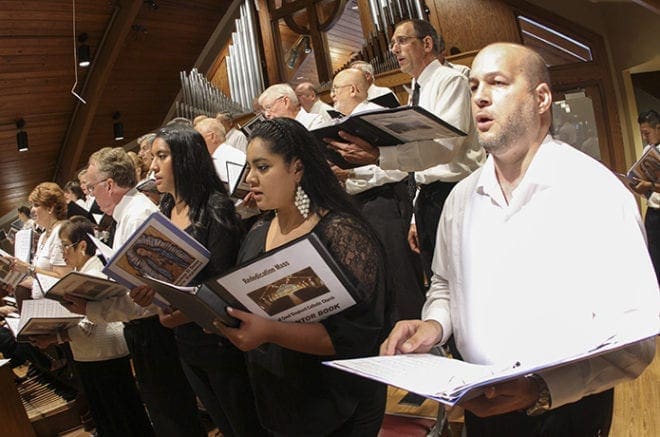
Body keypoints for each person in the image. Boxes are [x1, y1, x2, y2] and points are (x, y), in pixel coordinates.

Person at [381, 42, 659, 436]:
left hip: (565, 408)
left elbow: (637, 338)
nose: (479, 96)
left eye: (497, 82)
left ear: (541, 97)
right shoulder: (459, 198)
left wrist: (539, 390)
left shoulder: (595, 192)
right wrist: (434, 324)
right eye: (474, 85)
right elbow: (444, 284)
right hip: (481, 399)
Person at [216, 117, 390, 436]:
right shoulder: (257, 232)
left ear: (297, 169)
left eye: (263, 167)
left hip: (337, 402)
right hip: (279, 401)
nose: (250, 179)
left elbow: (355, 338)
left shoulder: (341, 234)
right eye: (249, 168)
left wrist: (270, 331)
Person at [130, 125, 264, 436]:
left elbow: (224, 280)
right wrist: (151, 290)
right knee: (223, 422)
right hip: (187, 340)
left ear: (187, 159)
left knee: (245, 425)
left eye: (161, 156)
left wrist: (183, 312)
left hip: (220, 340)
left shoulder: (215, 206)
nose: (152, 166)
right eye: (152, 157)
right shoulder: (165, 207)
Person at [65, 146, 206, 437]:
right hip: (147, 330)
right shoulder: (127, 213)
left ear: (109, 185)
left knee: (173, 416)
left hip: (155, 330)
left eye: (91, 188)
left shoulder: (138, 214)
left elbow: (149, 298)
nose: (90, 195)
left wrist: (92, 309)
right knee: (166, 414)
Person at [331, 19, 485, 282]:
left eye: (402, 41)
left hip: (457, 192)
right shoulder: (417, 87)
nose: (393, 49)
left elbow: (445, 149)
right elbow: (421, 162)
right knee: (439, 279)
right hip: (428, 196)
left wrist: (379, 156)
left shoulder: (451, 80)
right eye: (392, 43)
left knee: (467, 278)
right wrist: (416, 213)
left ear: (426, 44)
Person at [31, 216, 155, 436]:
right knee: (108, 416)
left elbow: (88, 325)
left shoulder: (93, 274)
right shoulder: (81, 273)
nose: (63, 252)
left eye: (65, 246)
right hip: (91, 355)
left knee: (123, 416)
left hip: (105, 354)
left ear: (82, 245)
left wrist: (54, 338)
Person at [330, 68, 425, 319]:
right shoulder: (341, 122)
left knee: (398, 272)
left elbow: (398, 170)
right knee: (376, 275)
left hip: (385, 202)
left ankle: (414, 332)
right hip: (359, 204)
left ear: (354, 89)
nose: (332, 97)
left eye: (336, 90)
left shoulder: (375, 116)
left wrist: (349, 174)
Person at [630, 109, 660, 283]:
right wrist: (640, 188)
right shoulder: (648, 150)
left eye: (647, 133)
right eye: (642, 133)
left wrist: (651, 185)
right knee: (654, 259)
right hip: (653, 212)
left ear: (658, 128)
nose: (644, 137)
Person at [195, 117, 246, 184]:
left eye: (198, 138)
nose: (195, 143)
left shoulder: (232, 158)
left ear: (212, 137)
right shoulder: (238, 155)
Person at [258, 83, 326, 130]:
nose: (267, 114)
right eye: (265, 111)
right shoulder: (277, 130)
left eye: (269, 107)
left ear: (285, 102)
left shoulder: (316, 122)